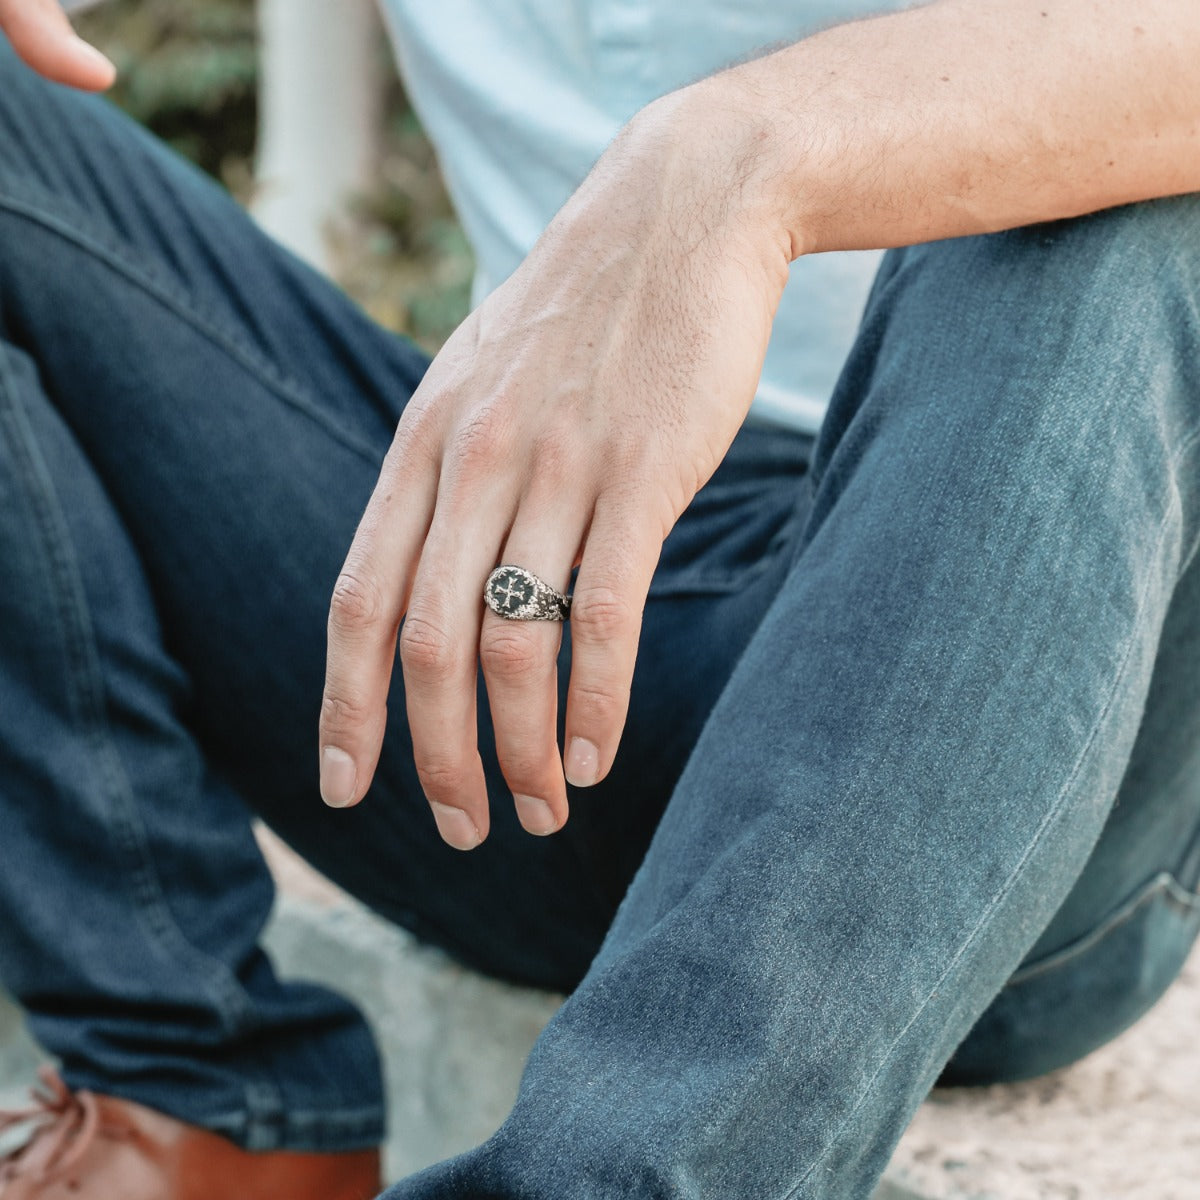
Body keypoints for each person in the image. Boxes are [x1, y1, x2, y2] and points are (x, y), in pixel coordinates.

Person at [1, 0, 1198, 1196]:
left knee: (1125, 175)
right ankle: (201, 1107)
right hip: (510, 657)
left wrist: (738, 160)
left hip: (1024, 691)